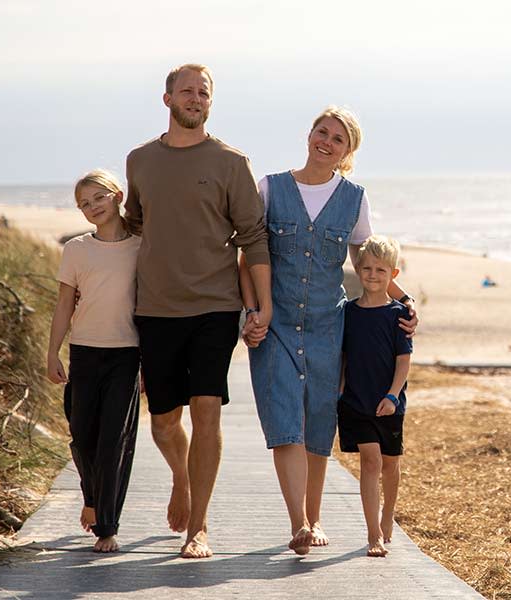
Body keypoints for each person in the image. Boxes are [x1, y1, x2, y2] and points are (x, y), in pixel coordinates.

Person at [240, 106, 417, 555]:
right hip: (276, 324)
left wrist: (404, 300)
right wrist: (251, 311)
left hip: (329, 326)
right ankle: (298, 522)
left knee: (318, 423)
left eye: (338, 139)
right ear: (309, 135)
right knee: (285, 422)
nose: (327, 141)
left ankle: (315, 517)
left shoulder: (354, 198)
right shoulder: (270, 188)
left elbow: (368, 262)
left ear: (347, 152)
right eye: (322, 132)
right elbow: (248, 258)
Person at [124, 64, 273, 559]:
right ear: (166, 98)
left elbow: (253, 237)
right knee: (164, 420)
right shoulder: (140, 160)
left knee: (207, 409)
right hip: (156, 306)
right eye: (186, 90)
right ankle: (182, 479)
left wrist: (261, 306)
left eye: (203, 92)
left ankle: (199, 529)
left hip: (215, 305)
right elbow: (135, 226)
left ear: (211, 102)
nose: (195, 97)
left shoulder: (232, 162)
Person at [45, 169, 141, 553]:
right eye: (84, 204)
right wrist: (52, 352)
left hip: (126, 354)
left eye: (98, 197)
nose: (92, 207)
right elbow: (64, 304)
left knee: (113, 441)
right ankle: (91, 496)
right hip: (84, 352)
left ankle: (107, 524)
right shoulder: (77, 249)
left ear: (117, 195)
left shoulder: (141, 246)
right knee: (82, 436)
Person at [338, 235, 412, 557]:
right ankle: (373, 535)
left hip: (389, 403)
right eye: (366, 268)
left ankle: (387, 514)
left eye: (380, 270)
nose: (372, 275)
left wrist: (393, 396)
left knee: (390, 464)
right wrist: (339, 389)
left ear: (393, 275)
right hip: (355, 401)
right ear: (356, 268)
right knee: (371, 461)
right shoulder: (348, 313)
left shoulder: (398, 316)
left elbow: (403, 361)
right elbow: (340, 354)